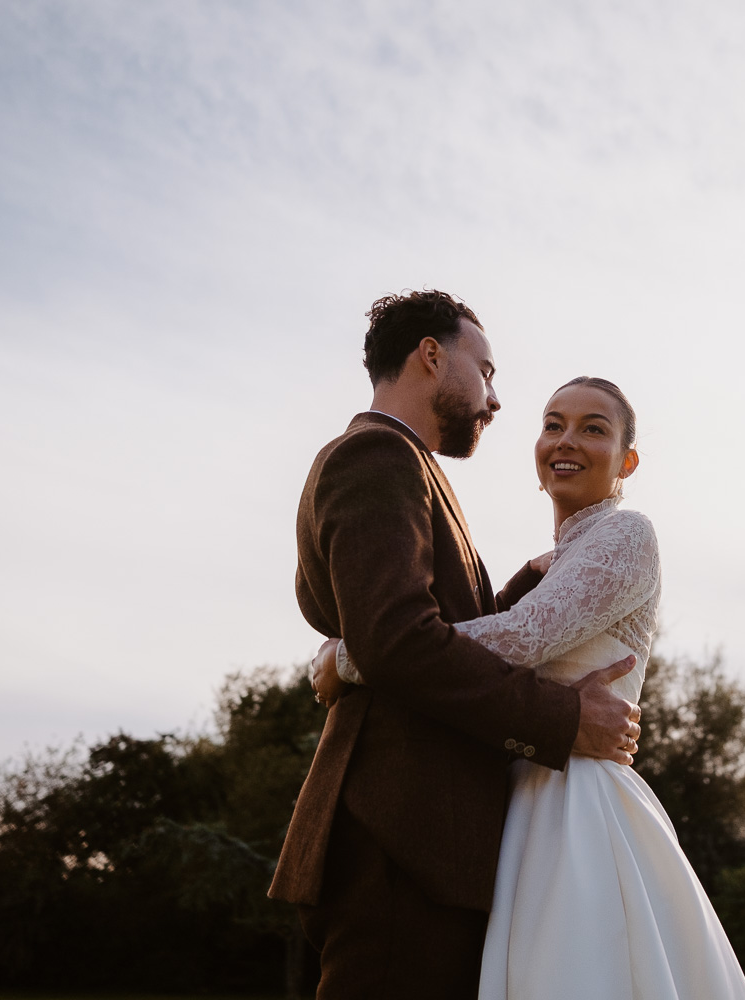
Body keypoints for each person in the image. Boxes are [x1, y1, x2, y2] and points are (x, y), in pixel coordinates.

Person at [313, 376, 745, 999]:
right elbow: (483, 648)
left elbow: (523, 638)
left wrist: (353, 656)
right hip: (517, 798)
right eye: (553, 424)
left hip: (578, 806)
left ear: (627, 460)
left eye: (593, 428)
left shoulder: (627, 535)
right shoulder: (557, 561)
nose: (565, 440)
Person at [268, 291, 643, 1000]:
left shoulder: (407, 467)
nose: (494, 399)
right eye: (488, 370)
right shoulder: (379, 456)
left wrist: (515, 594)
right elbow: (400, 644)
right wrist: (564, 721)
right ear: (432, 355)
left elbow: (418, 633)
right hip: (401, 836)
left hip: (422, 840)